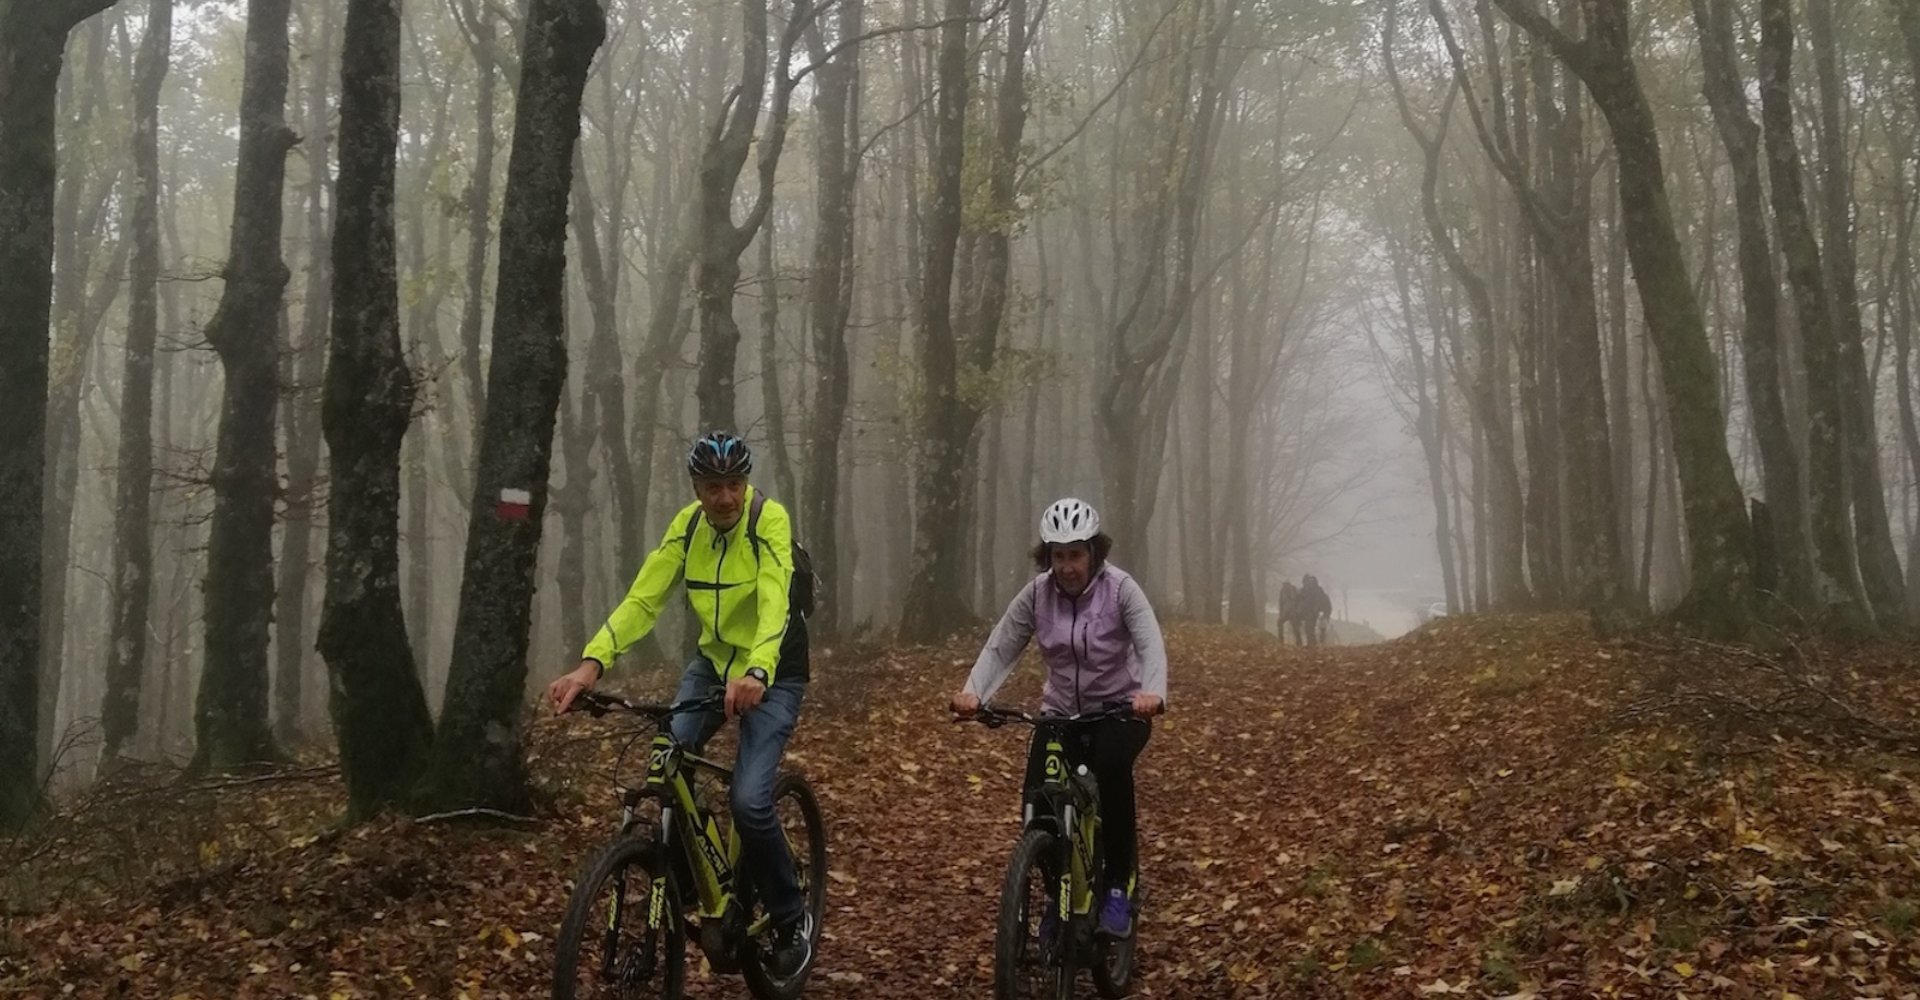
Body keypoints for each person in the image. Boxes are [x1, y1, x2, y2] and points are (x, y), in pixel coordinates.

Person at [547, 431, 813, 977]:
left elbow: (774, 601)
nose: (725, 498)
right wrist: (591, 664)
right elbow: (645, 597)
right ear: (697, 488)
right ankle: (696, 873)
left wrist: (759, 669)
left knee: (750, 801)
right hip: (713, 666)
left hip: (774, 673)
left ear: (746, 483)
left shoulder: (769, 520)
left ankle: (791, 917)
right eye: (713, 487)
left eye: (734, 485)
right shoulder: (688, 527)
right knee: (661, 764)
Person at [950, 498, 1168, 939]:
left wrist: (1153, 693)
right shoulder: (1036, 595)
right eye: (1058, 556)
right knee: (1039, 792)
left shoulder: (1121, 590)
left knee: (1110, 765)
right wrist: (973, 693)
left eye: (1076, 554)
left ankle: (1118, 885)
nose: (1067, 566)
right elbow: (1002, 645)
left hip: (1120, 709)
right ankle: (1057, 893)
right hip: (1061, 713)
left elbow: (1149, 643)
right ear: (1047, 557)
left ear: (1094, 552)